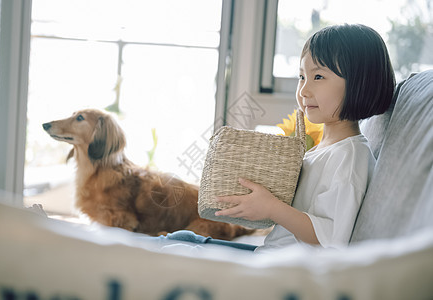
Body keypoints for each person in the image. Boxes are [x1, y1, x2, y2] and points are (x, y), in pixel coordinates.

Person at [143, 23, 395, 252]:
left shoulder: (349, 158)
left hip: (284, 270)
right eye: (301, 77)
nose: (304, 89)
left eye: (318, 77)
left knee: (175, 249)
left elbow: (330, 239)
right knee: (181, 239)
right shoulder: (325, 148)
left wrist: (272, 208)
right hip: (271, 257)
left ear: (360, 83)